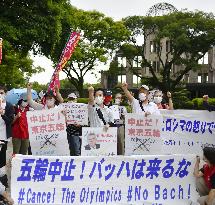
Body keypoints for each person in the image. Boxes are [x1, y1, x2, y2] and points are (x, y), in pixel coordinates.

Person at [0, 85, 14, 178]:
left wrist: (2, 114)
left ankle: (2, 179)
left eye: (1, 93)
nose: (0, 95)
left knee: (1, 158)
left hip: (3, 136)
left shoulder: (9, 106)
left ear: (5, 94)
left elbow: (10, 121)